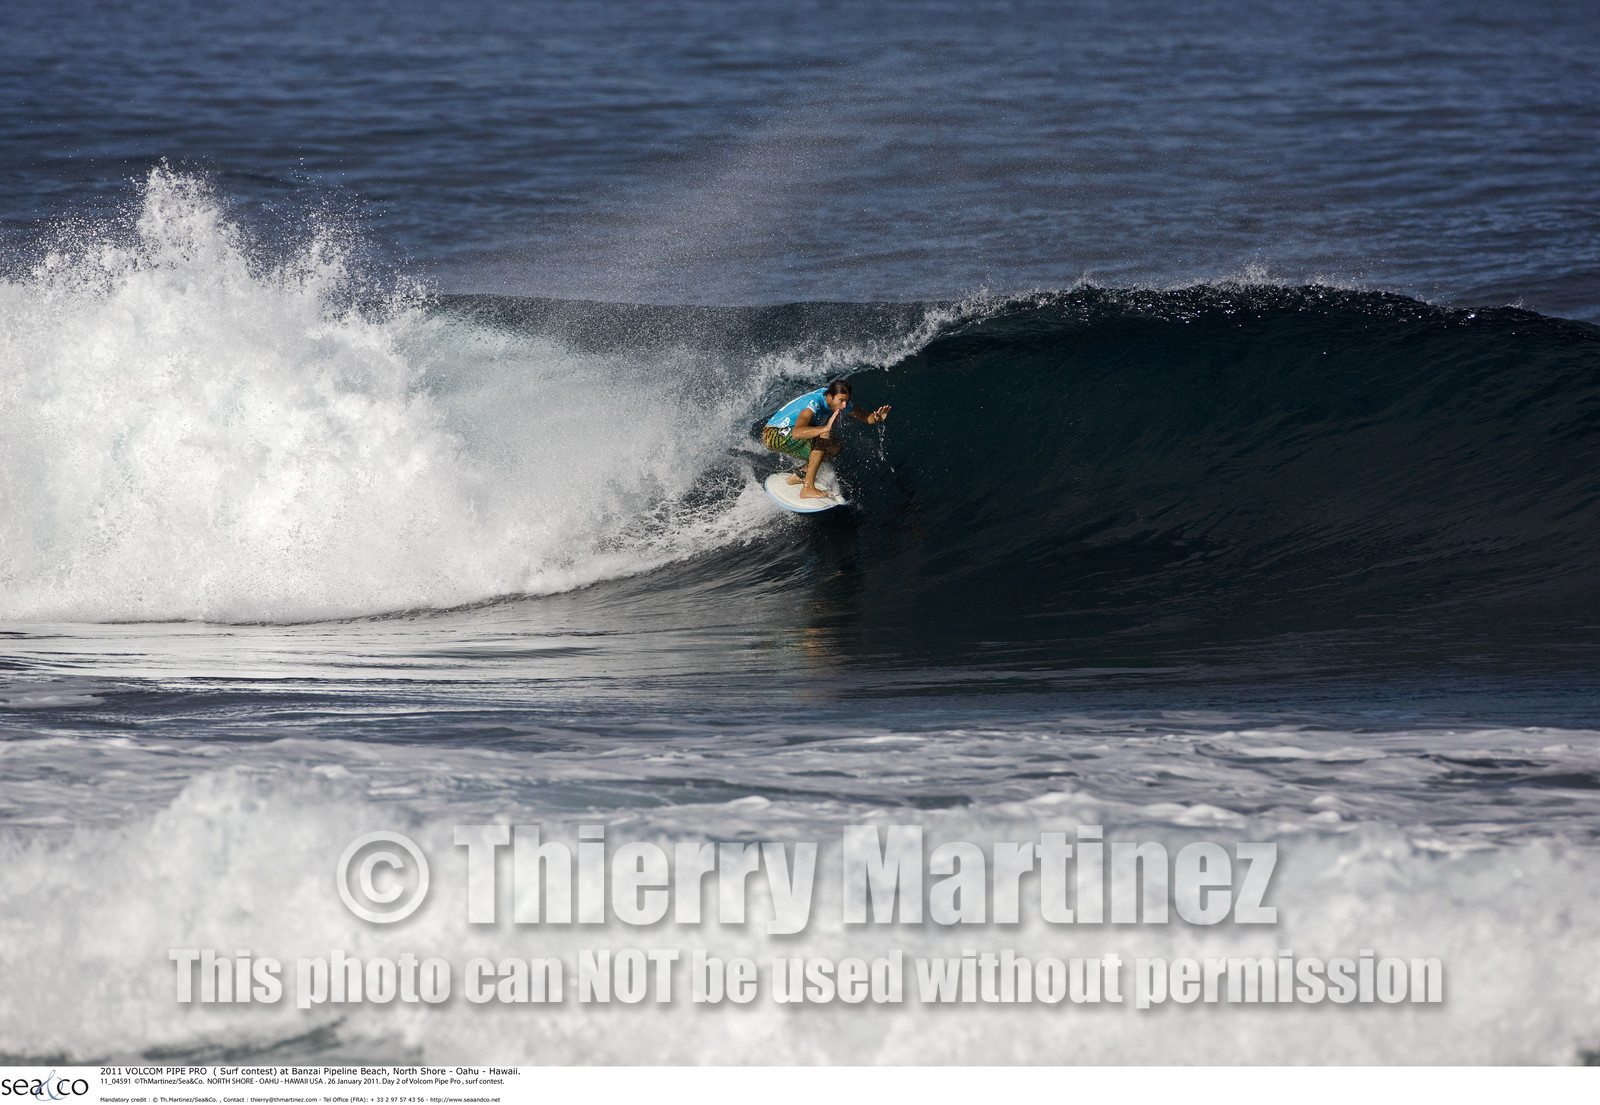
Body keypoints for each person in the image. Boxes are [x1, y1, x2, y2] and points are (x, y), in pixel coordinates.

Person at [762, 379, 891, 499]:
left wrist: (876, 418)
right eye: (841, 401)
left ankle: (798, 476)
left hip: (786, 435)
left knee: (835, 447)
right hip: (773, 435)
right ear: (829, 397)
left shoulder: (839, 402)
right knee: (824, 434)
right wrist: (825, 428)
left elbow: (862, 415)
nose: (844, 405)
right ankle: (807, 488)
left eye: (846, 401)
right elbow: (797, 433)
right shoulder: (813, 404)